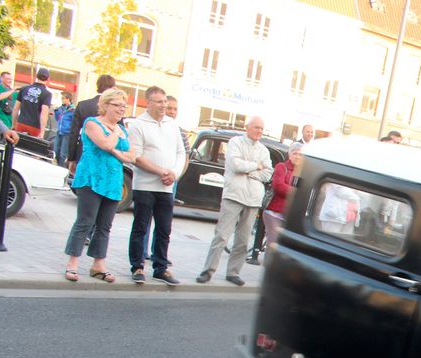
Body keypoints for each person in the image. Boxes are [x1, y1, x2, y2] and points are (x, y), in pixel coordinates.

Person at [62, 88, 134, 283]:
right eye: (117, 105)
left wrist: (118, 151)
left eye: (123, 106)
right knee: (85, 221)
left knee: (105, 225)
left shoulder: (122, 129)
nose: (121, 110)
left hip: (113, 182)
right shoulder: (92, 123)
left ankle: (98, 264)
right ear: (105, 105)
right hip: (91, 179)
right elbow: (105, 145)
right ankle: (73, 263)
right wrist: (115, 134)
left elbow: (131, 155)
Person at [197, 116, 273, 285]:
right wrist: (256, 166)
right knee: (222, 235)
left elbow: (268, 174)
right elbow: (235, 165)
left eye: (261, 128)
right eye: (256, 127)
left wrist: (250, 171)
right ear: (248, 128)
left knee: (243, 240)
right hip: (234, 195)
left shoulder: (264, 150)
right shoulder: (235, 142)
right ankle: (207, 271)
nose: (259, 131)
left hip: (253, 199)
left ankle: (233, 272)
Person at [127, 86, 185, 286]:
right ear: (149, 103)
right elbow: (137, 157)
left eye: (165, 102)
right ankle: (137, 266)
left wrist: (174, 174)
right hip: (145, 185)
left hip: (166, 186)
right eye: (159, 102)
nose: (164, 106)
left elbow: (181, 153)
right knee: (141, 227)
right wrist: (161, 172)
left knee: (164, 229)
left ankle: (160, 267)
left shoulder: (172, 125)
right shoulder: (138, 125)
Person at [68, 74, 116, 172]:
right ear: (112, 88)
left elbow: (74, 133)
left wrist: (71, 158)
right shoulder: (115, 107)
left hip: (84, 153)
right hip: (106, 155)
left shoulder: (83, 105)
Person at [259, 141, 301, 250]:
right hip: (274, 213)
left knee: (284, 246)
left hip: (290, 215)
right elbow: (279, 186)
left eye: (300, 154)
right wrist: (296, 191)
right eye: (295, 153)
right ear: (289, 154)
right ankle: (269, 266)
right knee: (273, 243)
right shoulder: (282, 167)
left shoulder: (302, 172)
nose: (297, 156)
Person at [12, 67, 53, 137]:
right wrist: (42, 131)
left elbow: (16, 108)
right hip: (35, 127)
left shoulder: (24, 89)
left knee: (16, 144)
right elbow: (44, 113)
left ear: (36, 76)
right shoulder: (47, 94)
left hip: (21, 123)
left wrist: (13, 125)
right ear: (48, 79)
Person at [52, 91, 75, 166]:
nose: (62, 100)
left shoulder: (72, 110)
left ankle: (61, 166)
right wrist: (56, 111)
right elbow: (58, 119)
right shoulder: (61, 108)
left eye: (63, 98)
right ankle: (56, 164)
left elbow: (74, 121)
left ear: (68, 99)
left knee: (63, 152)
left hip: (67, 133)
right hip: (59, 131)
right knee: (56, 150)